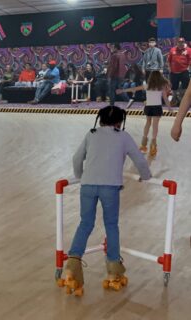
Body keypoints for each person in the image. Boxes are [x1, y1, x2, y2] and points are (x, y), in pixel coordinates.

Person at [61, 106, 151, 297]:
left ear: (100, 120)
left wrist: (80, 176)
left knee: (85, 224)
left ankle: (71, 266)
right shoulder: (123, 137)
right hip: (110, 187)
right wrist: (146, 176)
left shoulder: (91, 134)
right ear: (120, 122)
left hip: (87, 185)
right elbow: (140, 161)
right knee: (111, 225)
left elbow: (77, 158)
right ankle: (113, 271)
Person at [117, 70, 170, 157]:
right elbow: (165, 98)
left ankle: (143, 145)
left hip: (148, 107)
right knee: (155, 125)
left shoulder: (147, 86)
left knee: (148, 123)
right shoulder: (161, 86)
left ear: (151, 77)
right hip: (157, 107)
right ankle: (153, 146)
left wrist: (123, 90)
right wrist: (169, 108)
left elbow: (134, 89)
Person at [167, 37, 191, 107]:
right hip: (174, 73)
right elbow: (168, 60)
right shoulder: (172, 50)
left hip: (184, 72)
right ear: (177, 43)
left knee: (185, 87)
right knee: (174, 88)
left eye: (182, 42)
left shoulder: (189, 50)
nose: (180, 44)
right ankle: (174, 100)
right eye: (179, 42)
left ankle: (184, 101)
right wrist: (169, 69)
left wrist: (188, 68)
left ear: (184, 43)